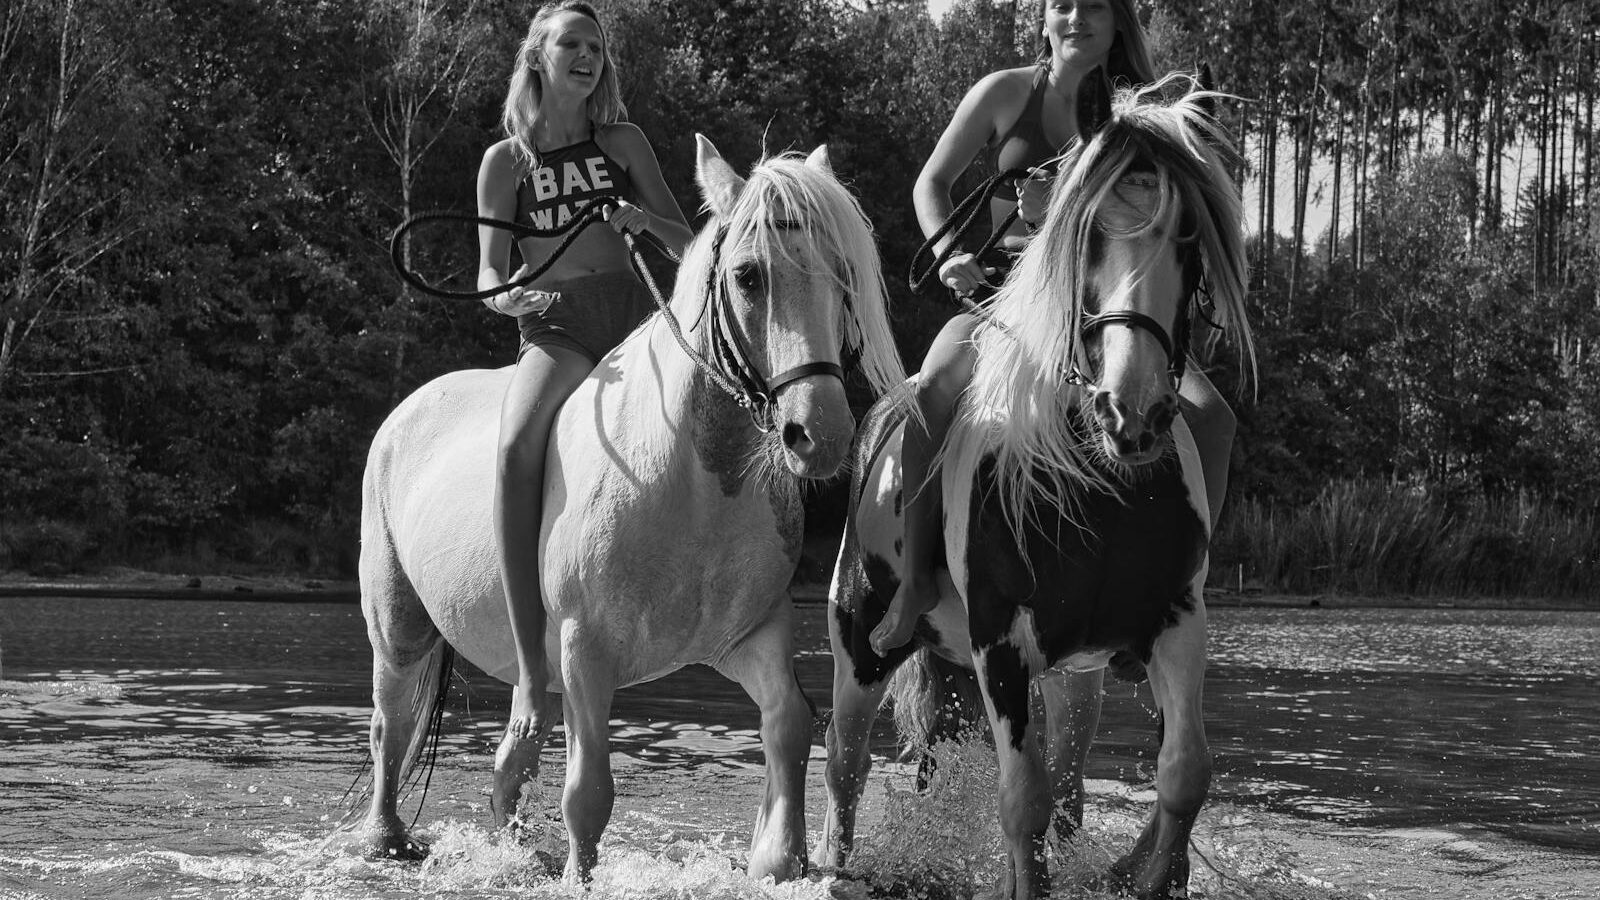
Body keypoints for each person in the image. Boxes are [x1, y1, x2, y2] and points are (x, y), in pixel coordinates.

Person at [870, 0, 1235, 655]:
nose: (1075, 16)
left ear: (1119, 21)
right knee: (931, 395)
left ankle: (1185, 580)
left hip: (1112, 313)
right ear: (1042, 18)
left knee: (1214, 417)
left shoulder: (1139, 117)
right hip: (1006, 301)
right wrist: (949, 251)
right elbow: (933, 181)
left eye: (1093, 5)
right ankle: (918, 578)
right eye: (1060, 3)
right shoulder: (1007, 92)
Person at [478, 1, 694, 734]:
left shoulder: (623, 142)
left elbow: (690, 243)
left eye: (596, 46)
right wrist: (505, 294)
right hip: (558, 328)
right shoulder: (505, 162)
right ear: (538, 57)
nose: (587, 55)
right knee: (513, 449)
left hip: (635, 325)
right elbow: (485, 273)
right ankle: (527, 673)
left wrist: (645, 221)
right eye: (571, 43)